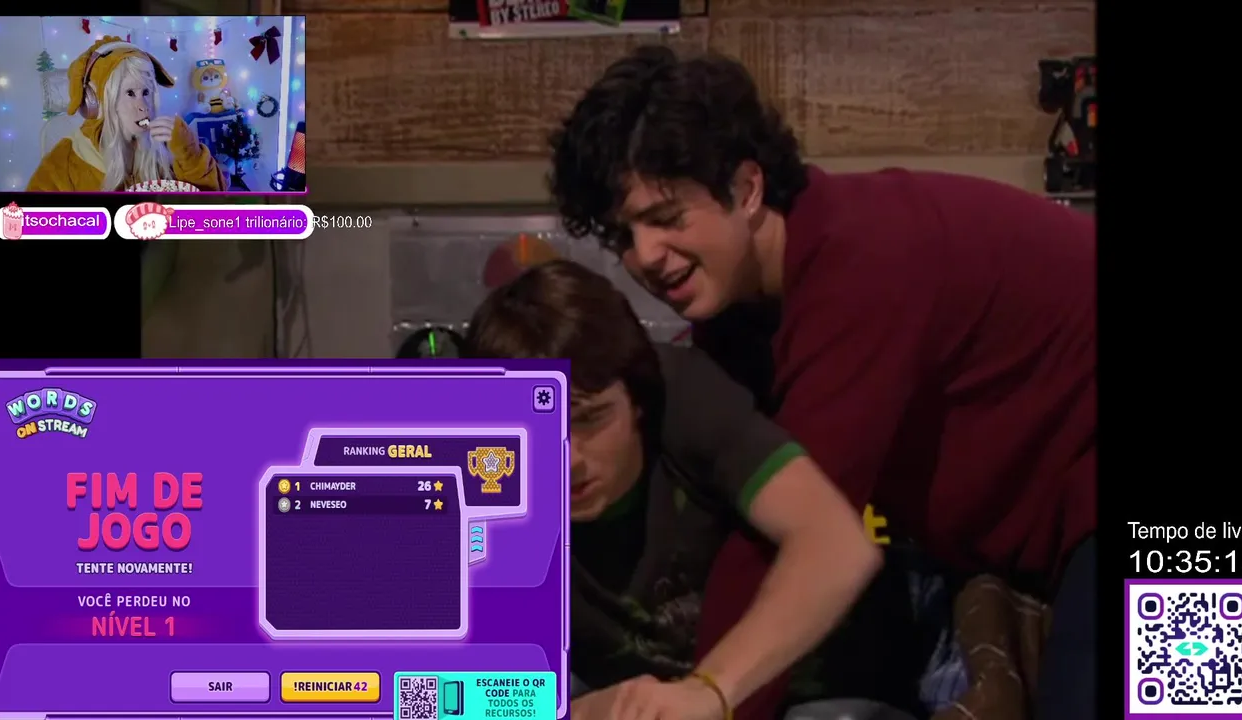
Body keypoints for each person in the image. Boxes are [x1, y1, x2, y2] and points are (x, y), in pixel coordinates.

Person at [546, 45, 1097, 720]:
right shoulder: (738, 319)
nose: (646, 256)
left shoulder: (865, 263)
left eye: (665, 218)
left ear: (747, 188)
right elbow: (751, 519)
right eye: (621, 236)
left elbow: (806, 528)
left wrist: (710, 697)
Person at [464, 260, 905, 720]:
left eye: (590, 420)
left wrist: (708, 690)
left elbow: (838, 545)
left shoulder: (683, 395)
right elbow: (439, 692)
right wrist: (590, 710)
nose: (568, 458)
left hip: (798, 689)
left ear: (636, 401)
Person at [27, 36, 227, 192]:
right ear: (96, 102)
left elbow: (212, 209)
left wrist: (190, 153)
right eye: (130, 93)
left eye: (146, 93)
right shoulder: (66, 160)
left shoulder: (169, 146)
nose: (143, 106)